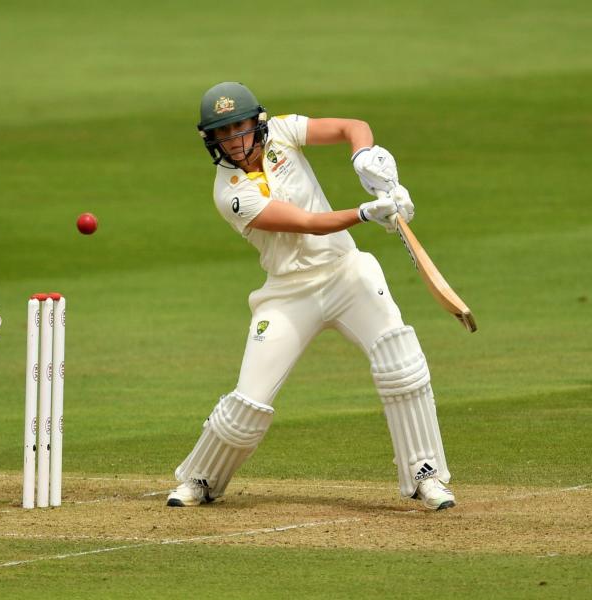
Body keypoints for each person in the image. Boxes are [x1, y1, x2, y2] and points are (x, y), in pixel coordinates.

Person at [166, 82, 455, 511]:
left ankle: (425, 474)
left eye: (239, 127)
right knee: (249, 401)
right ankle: (201, 476)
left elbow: (352, 126)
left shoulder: (283, 131)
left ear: (257, 123)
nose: (233, 141)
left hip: (346, 274)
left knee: (401, 363)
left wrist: (365, 159)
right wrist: (365, 212)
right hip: (288, 294)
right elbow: (305, 222)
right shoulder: (229, 193)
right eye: (222, 134)